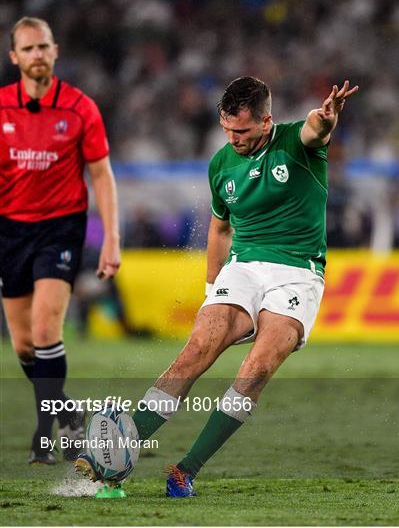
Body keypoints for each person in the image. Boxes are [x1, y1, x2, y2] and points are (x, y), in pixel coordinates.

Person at [76, 76, 358, 495]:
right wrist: (213, 288)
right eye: (226, 129)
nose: (233, 138)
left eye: (241, 131)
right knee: (196, 348)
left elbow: (315, 128)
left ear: (266, 121)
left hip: (298, 272)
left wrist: (327, 118)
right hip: (242, 268)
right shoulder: (221, 164)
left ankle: (186, 469)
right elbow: (220, 228)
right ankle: (117, 453)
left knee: (257, 368)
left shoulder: (296, 144)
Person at [0, 17, 121, 464]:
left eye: (43, 47)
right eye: (27, 49)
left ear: (56, 51)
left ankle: (43, 435)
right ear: (14, 57)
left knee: (47, 328)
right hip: (10, 230)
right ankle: (68, 413)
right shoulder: (0, 109)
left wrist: (111, 238)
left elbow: (101, 175)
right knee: (24, 345)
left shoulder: (79, 107)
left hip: (60, 228)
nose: (36, 55)